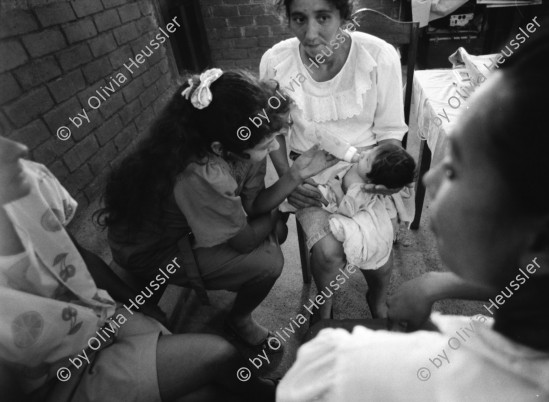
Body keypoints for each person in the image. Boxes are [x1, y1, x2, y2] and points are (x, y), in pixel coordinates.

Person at [277, 8, 549, 401]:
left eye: (456, 167)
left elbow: (388, 141)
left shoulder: (343, 372)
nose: (430, 178)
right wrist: (437, 281)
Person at [0, 136, 278, 402]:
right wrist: (280, 202)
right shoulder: (205, 170)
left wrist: (136, 303)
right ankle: (278, 394)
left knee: (206, 386)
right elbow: (245, 239)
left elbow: (76, 255)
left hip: (98, 317)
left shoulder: (28, 180)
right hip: (56, 380)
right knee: (219, 358)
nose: (18, 148)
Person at [96, 69, 337, 351]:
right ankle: (239, 319)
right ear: (220, 148)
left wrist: (294, 175)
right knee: (269, 262)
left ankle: (231, 286)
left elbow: (252, 204)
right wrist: (281, 208)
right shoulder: (202, 175)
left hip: (182, 228)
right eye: (266, 144)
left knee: (275, 232)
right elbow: (245, 239)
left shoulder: (240, 140)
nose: (274, 147)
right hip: (152, 250)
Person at [260, 0, 409, 319]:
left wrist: (381, 178)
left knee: (379, 257)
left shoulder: (379, 57)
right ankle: (323, 304)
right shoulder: (275, 62)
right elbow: (272, 132)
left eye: (323, 18)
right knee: (328, 254)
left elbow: (390, 132)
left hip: (368, 172)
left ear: (344, 15)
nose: (310, 33)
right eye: (299, 19)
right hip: (309, 176)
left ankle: (377, 296)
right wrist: (289, 180)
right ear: (287, 18)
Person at [322, 143, 415, 273]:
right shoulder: (362, 170)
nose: (364, 153)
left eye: (367, 160)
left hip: (342, 200)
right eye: (371, 150)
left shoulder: (358, 191)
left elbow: (347, 210)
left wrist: (337, 189)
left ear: (370, 181)